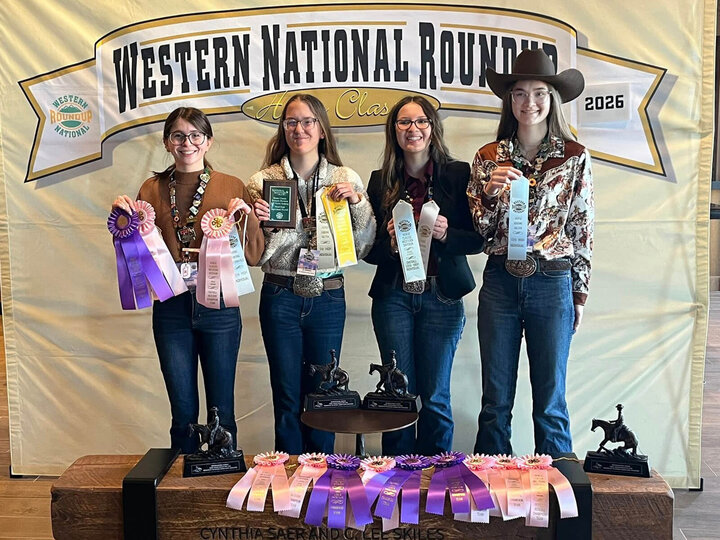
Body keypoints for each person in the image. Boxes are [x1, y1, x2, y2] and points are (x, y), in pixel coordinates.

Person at [112, 107, 264, 453]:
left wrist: (250, 219)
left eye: (196, 135)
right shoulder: (151, 189)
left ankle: (220, 491)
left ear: (208, 142)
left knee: (221, 411)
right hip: (171, 308)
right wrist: (122, 221)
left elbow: (253, 256)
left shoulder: (231, 186)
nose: (187, 143)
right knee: (182, 413)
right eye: (178, 136)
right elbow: (137, 253)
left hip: (220, 308)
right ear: (167, 143)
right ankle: (179, 493)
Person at [467, 49, 594, 456]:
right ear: (509, 101)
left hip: (552, 278)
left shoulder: (574, 157)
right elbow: (481, 231)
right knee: (495, 401)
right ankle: (486, 506)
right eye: (519, 94)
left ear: (553, 98)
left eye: (539, 93)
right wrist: (488, 193)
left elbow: (582, 228)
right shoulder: (488, 159)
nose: (529, 103)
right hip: (501, 279)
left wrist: (579, 293)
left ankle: (561, 505)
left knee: (551, 402)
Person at [247, 94, 376, 454]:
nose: (299, 129)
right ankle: (287, 473)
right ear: (283, 129)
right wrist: (259, 223)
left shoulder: (344, 177)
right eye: (291, 122)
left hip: (328, 293)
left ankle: (322, 474)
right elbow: (257, 255)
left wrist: (359, 205)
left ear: (321, 129)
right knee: (287, 393)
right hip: (280, 292)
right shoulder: (262, 181)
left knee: (325, 391)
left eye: (307, 122)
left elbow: (362, 246)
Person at [364, 95, 485, 456]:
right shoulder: (379, 180)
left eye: (420, 121)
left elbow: (479, 239)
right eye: (403, 123)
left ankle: (436, 484)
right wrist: (388, 242)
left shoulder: (458, 174)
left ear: (432, 128)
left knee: (434, 396)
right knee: (398, 395)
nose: (412, 129)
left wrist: (447, 235)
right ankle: (396, 483)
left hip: (442, 297)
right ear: (394, 132)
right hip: (394, 298)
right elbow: (368, 253)